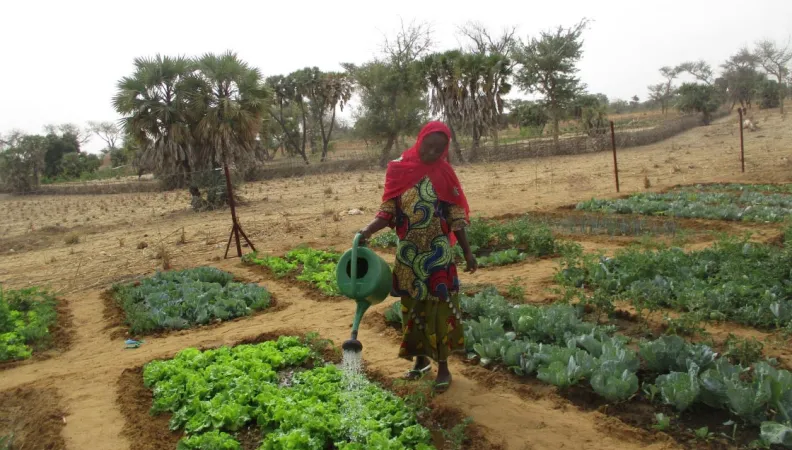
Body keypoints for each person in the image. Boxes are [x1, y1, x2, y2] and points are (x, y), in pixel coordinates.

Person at [358, 121, 477, 393]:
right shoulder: (399, 169)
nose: (432, 153)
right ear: (419, 140)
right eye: (429, 146)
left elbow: (456, 216)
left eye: (439, 149)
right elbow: (387, 211)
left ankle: (443, 367)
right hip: (409, 257)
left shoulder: (443, 173)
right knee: (413, 310)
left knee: (439, 311)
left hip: (438, 258)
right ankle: (421, 362)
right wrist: (367, 230)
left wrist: (468, 252)